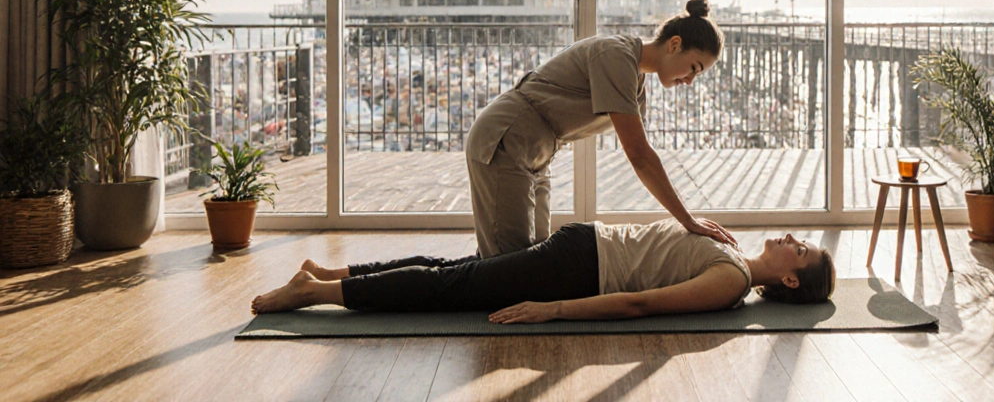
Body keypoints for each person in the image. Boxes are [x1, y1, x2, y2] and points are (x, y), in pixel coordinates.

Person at [465, 0, 734, 258]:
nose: (689, 80)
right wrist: (688, 221)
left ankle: (431, 279)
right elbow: (639, 154)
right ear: (674, 45)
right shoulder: (617, 56)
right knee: (506, 267)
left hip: (534, 153)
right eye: (694, 68)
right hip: (506, 139)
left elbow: (642, 153)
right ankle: (425, 283)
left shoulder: (634, 81)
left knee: (532, 259)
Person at [250, 219, 836, 321]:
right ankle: (323, 286)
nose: (793, 240)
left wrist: (551, 308)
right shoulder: (728, 249)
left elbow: (640, 304)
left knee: (458, 272)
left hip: (581, 264)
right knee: (456, 282)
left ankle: (327, 281)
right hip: (580, 254)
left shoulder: (731, 283)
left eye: (801, 250)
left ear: (790, 280)